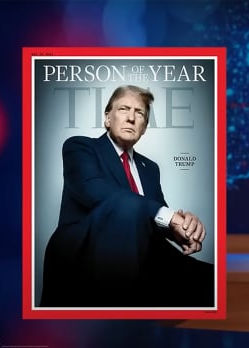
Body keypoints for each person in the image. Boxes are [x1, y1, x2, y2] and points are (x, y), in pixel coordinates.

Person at [40, 85, 214, 308]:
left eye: (139, 113)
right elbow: (94, 191)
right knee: (124, 204)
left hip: (151, 258)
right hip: (86, 256)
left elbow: (157, 217)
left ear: (144, 128)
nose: (131, 118)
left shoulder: (150, 168)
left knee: (214, 281)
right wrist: (168, 216)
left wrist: (180, 229)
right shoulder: (80, 147)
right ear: (107, 118)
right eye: (124, 109)